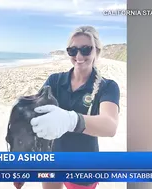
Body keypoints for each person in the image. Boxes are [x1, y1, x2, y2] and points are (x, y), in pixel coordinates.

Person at [30, 26, 120, 189]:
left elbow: (110, 126)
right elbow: (35, 111)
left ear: (96, 52)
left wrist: (71, 120)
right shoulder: (54, 81)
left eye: (86, 49)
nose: (79, 56)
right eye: (73, 50)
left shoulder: (108, 87)